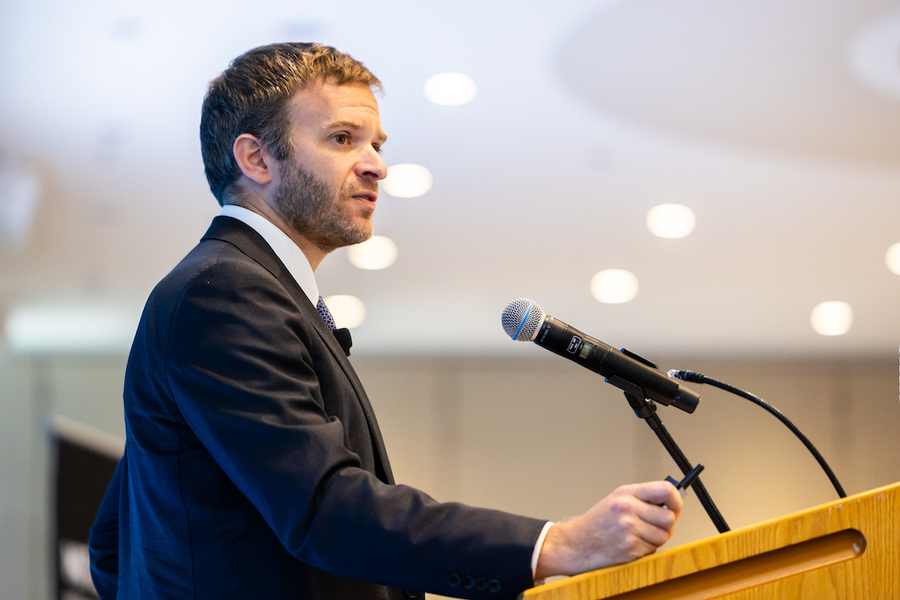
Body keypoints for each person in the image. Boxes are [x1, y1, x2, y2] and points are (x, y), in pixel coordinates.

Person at [88, 42, 682, 600]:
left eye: (377, 143)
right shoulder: (225, 293)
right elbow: (323, 506)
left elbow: (114, 543)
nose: (377, 166)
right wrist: (557, 545)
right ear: (256, 157)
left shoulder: (240, 290)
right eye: (344, 138)